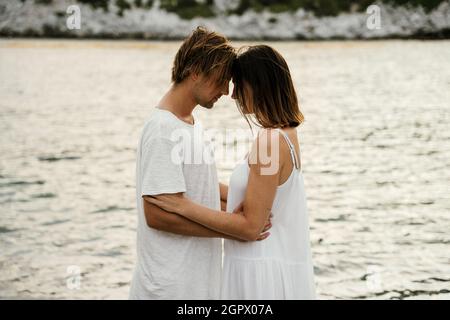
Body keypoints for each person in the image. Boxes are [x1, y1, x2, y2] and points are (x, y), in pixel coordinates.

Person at [146, 45, 316, 299]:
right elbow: (256, 197)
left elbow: (250, 227)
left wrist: (182, 206)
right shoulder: (287, 135)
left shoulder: (269, 141)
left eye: (238, 84)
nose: (233, 95)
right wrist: (185, 185)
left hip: (258, 272)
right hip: (269, 263)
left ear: (257, 85)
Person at [129, 28, 271, 300]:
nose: (226, 91)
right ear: (195, 70)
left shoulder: (188, 123)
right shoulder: (163, 131)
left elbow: (196, 186)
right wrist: (234, 228)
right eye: (221, 80)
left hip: (195, 283)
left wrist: (252, 202)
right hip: (169, 288)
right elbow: (156, 215)